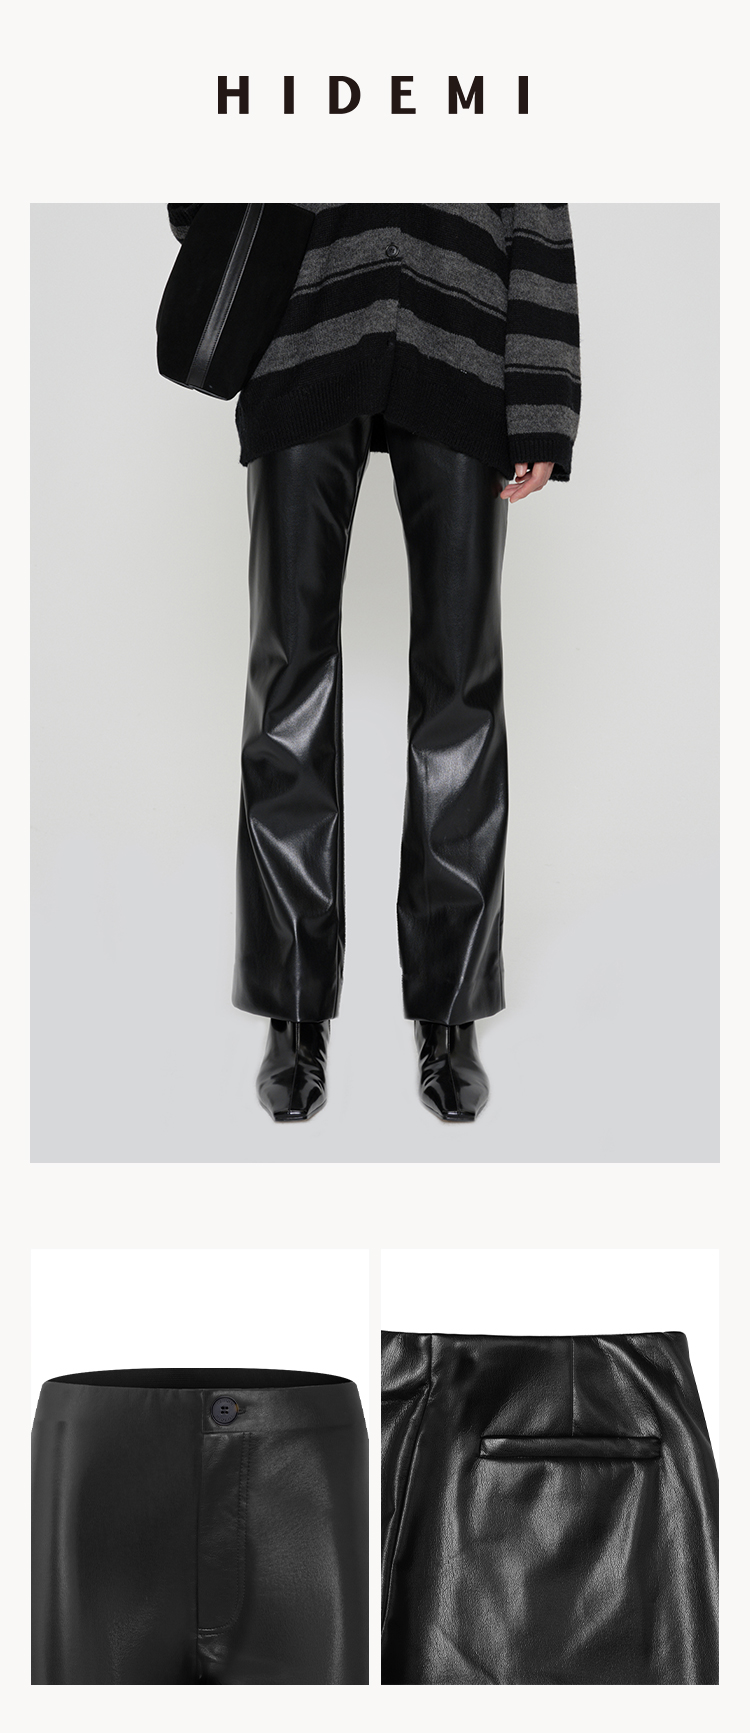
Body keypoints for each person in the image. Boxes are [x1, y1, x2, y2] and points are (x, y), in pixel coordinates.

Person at [167, 204, 581, 1123]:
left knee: (463, 683)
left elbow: (539, 206)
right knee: (289, 679)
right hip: (301, 334)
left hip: (464, 338)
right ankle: (294, 1005)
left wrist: (542, 403)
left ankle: (450, 1005)